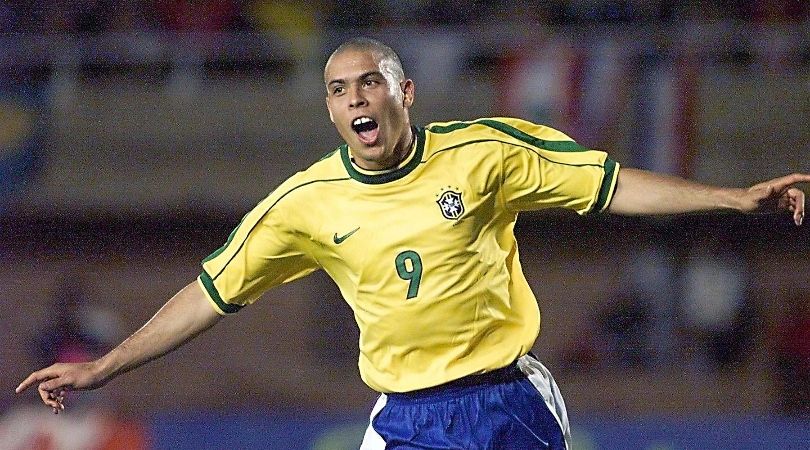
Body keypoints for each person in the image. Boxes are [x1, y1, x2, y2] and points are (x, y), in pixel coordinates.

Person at [16, 37, 809, 449]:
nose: (355, 98)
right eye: (338, 89)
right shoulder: (304, 203)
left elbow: (611, 185)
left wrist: (729, 198)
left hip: (508, 405)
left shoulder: (484, 151)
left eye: (370, 82)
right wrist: (104, 366)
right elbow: (207, 294)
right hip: (404, 419)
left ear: (405, 93)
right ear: (329, 111)